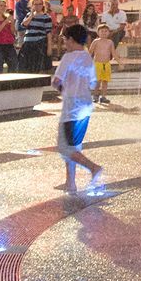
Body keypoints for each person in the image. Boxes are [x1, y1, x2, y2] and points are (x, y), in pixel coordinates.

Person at [51, 24, 107, 194]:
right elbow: (92, 82)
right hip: (86, 105)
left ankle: (93, 168)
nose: (65, 42)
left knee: (64, 147)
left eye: (65, 39)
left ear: (71, 39)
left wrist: (64, 90)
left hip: (72, 107)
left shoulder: (68, 57)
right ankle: (70, 183)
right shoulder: (87, 57)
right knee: (74, 145)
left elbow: (56, 81)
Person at [19, 0, 53, 72]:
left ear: (43, 5)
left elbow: (49, 33)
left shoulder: (46, 17)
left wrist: (49, 47)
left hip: (39, 42)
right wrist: (31, 15)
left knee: (37, 66)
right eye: (35, 4)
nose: (38, 6)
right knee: (26, 65)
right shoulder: (29, 15)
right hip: (28, 42)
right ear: (32, 5)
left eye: (40, 4)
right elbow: (24, 25)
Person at [89, 23, 118, 103]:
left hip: (106, 64)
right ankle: (95, 95)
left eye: (106, 31)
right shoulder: (95, 41)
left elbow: (114, 53)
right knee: (97, 81)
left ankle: (103, 96)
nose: (104, 33)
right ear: (98, 32)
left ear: (109, 33)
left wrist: (119, 62)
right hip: (97, 64)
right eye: (102, 31)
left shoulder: (110, 42)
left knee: (105, 81)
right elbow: (90, 52)